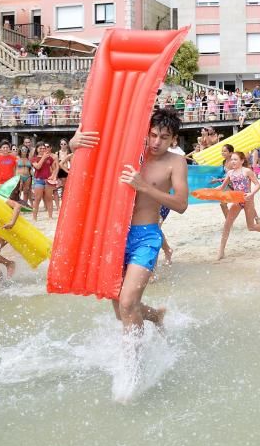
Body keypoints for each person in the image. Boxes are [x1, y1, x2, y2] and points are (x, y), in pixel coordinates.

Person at [70, 108, 189, 335]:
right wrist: (75, 145)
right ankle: (155, 315)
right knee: (120, 308)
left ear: (174, 139)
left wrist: (143, 186)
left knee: (127, 303)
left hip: (146, 236)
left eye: (164, 138)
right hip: (114, 234)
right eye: (153, 135)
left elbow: (181, 204)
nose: (156, 142)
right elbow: (89, 163)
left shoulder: (176, 162)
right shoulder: (130, 154)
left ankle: (133, 368)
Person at [216, 151, 260, 260]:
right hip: (237, 200)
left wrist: (251, 193)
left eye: (235, 159)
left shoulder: (247, 171)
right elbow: (221, 187)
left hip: (248, 200)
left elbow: (257, 185)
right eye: (232, 159)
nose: (232, 161)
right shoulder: (230, 173)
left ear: (242, 161)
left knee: (251, 227)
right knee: (227, 225)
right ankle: (221, 251)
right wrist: (208, 192)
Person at [30, 142, 58, 221]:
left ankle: (50, 216)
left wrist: (53, 175)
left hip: (47, 180)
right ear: (37, 149)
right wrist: (43, 157)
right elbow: (38, 167)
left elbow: (55, 168)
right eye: (40, 148)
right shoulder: (34, 158)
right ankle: (34, 217)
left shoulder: (49, 158)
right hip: (38, 180)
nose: (42, 150)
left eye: (43, 148)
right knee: (37, 199)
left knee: (49, 198)